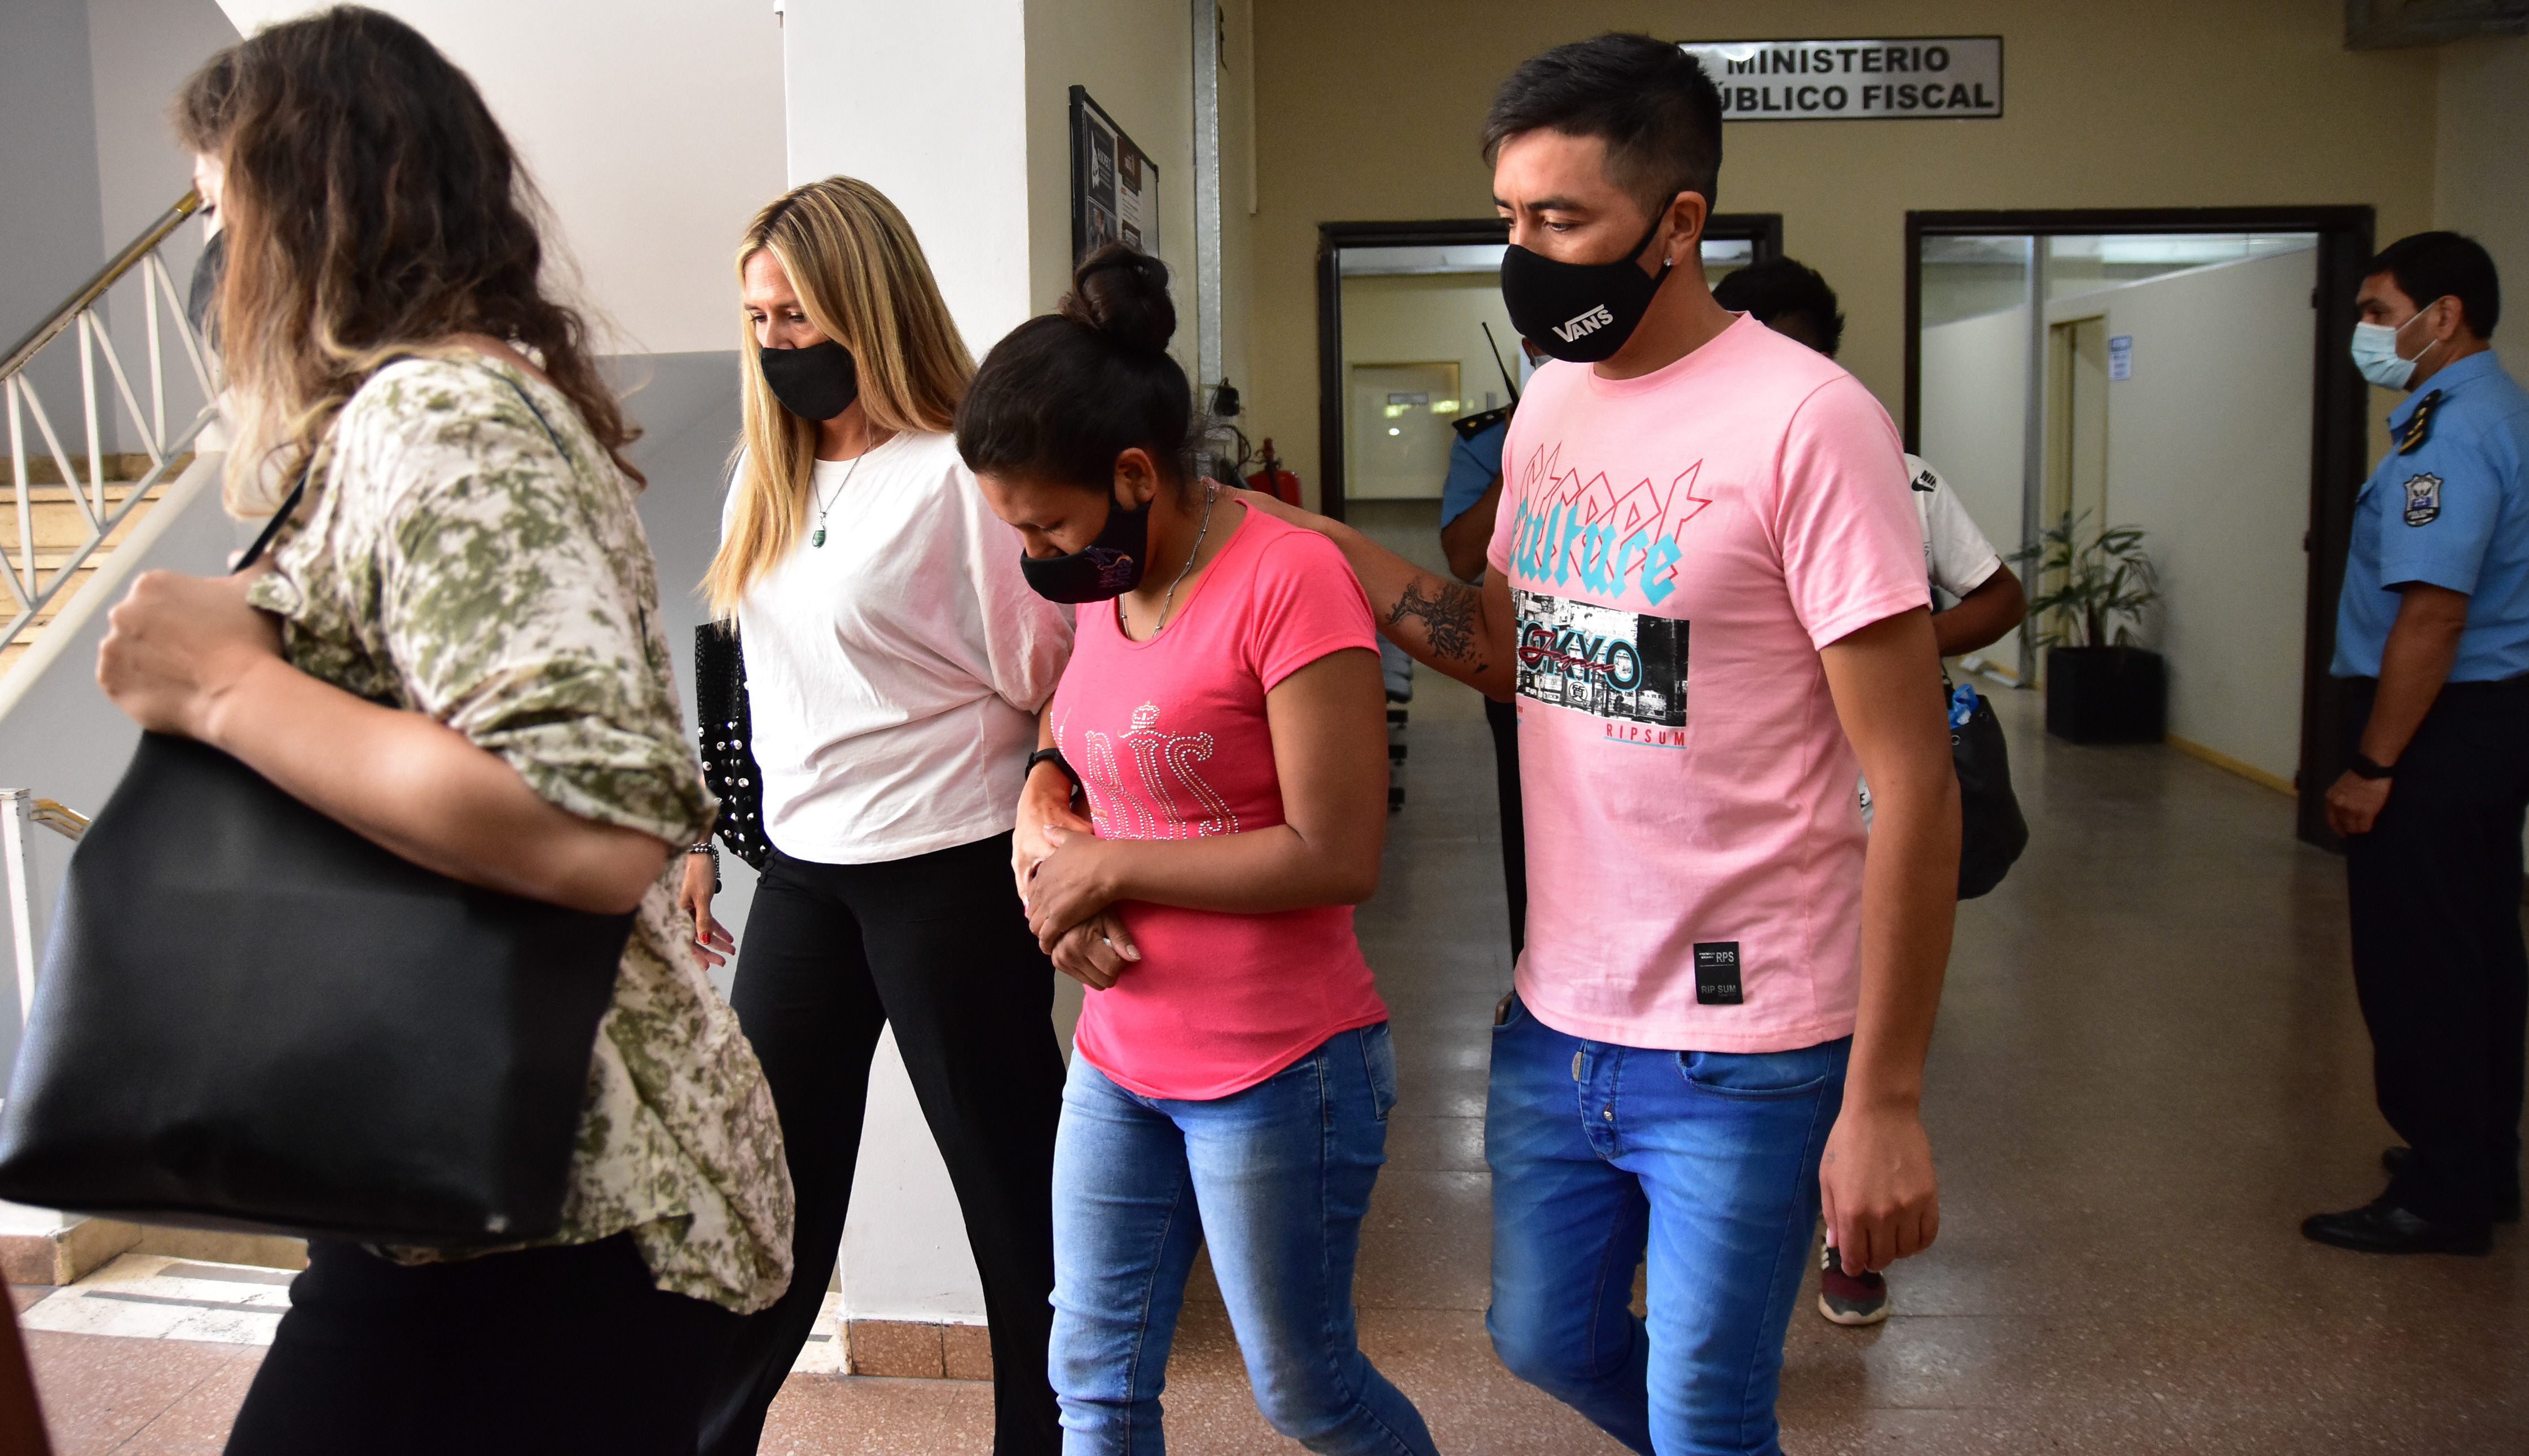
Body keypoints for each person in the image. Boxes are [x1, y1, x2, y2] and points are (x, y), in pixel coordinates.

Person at [1237, 36, 1957, 1455]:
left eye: (1561, 220)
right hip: (1558, 1012)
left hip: (1747, 1035)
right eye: (1509, 218)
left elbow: (1914, 781)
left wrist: (1884, 1096)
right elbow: (1511, 647)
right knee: (1543, 1337)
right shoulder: (1557, 400)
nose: (1526, 255)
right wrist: (1317, 542)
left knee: (1703, 1409)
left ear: (1678, 222)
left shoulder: (1810, 423)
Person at [115, 12, 793, 1451]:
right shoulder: (430, 411)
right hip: (471, 1171)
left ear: (309, 207)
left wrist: (227, 688)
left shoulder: (446, 416)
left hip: (547, 1189)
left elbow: (589, 830)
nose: (210, 259)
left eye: (219, 212)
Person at [958, 245, 1440, 1456]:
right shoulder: (1104, 584)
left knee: (1306, 1392)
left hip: (1279, 1066)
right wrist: (1042, 807)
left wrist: (1111, 870)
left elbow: (1335, 853)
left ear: (1134, 473)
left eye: (1049, 523)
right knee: (1092, 1383)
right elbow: (1078, 729)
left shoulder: (1289, 581)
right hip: (1120, 1058)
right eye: (1018, 530)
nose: (1039, 555)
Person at [684, 177, 1072, 1454]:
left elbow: (1049, 670)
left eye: (798, 313)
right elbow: (743, 671)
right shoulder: (766, 473)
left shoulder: (959, 476)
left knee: (1013, 1203)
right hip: (805, 874)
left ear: (869, 302)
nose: (776, 340)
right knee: (762, 1202)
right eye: (758, 317)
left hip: (946, 870)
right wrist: (699, 826)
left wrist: (1051, 800)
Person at [1714, 256, 2025, 1328]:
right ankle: (1734, 1218)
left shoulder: (1894, 472)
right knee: (1751, 1023)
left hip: (1867, 796)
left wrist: (1886, 644)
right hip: (1746, 804)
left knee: (1852, 1019)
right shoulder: (1700, 465)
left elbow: (1997, 596)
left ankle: (1847, 1236)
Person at [2308, 230, 2529, 1257]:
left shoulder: (2446, 431)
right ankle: (2478, 1159)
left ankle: (2441, 1194)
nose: (2363, 330)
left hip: (2435, 729)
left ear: (2442, 317)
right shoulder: (2498, 410)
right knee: (2479, 948)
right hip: (2490, 718)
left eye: (2376, 311)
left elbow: (2432, 613)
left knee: (2420, 962)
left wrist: (2372, 765)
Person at [1440, 338, 1546, 961]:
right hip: (1520, 653)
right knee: (1529, 827)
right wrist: (1520, 453)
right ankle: (1530, 966)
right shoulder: (1487, 440)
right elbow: (1461, 556)